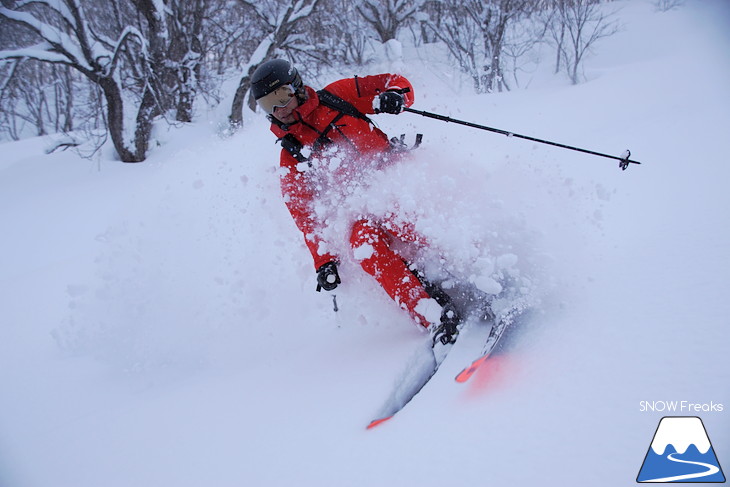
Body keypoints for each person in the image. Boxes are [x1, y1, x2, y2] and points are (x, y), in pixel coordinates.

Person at [250, 59, 463, 345]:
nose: (279, 110)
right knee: (362, 244)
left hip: (395, 175)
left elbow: (395, 82)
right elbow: (306, 216)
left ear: (297, 87)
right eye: (268, 105)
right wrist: (324, 261)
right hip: (356, 206)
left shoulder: (337, 97)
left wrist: (395, 96)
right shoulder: (292, 155)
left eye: (281, 96)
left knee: (397, 215)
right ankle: (433, 312)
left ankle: (469, 271)